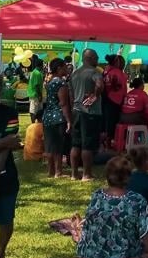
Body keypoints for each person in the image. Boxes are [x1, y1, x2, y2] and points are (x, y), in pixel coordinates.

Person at [76, 156, 148, 258]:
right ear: (128, 177)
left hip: (90, 254)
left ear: (107, 176)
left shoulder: (97, 195)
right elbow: (145, 231)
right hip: (121, 256)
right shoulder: (136, 200)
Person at [0, 71, 21, 258]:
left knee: (6, 218)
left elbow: (7, 149)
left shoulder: (9, 113)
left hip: (4, 174)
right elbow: (8, 143)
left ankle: (0, 254)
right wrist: (3, 142)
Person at [69, 48, 104, 181]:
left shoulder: (75, 73)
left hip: (76, 111)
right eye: (96, 58)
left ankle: (73, 174)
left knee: (76, 143)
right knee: (87, 144)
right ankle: (86, 174)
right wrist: (95, 94)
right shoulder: (95, 73)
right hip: (90, 112)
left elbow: (71, 94)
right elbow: (100, 85)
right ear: (90, 58)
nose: (97, 60)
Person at [43, 58, 72, 178]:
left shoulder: (49, 82)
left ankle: (50, 171)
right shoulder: (61, 83)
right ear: (59, 68)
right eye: (65, 67)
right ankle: (58, 172)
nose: (66, 69)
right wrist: (69, 120)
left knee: (49, 145)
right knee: (58, 146)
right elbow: (63, 103)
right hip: (58, 117)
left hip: (47, 116)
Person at [102, 54, 127, 147]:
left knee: (106, 122)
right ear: (117, 62)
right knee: (112, 123)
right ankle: (109, 143)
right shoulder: (118, 72)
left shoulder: (106, 70)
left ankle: (106, 143)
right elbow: (120, 86)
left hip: (106, 99)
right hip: (115, 100)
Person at [27, 58, 44, 124]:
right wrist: (40, 95)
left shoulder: (33, 72)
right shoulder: (37, 73)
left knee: (38, 110)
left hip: (32, 93)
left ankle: (38, 123)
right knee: (33, 110)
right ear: (41, 65)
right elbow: (36, 85)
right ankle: (33, 124)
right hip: (35, 94)